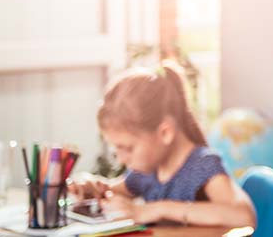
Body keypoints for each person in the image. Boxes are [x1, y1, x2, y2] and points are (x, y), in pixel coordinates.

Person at [69, 63, 256, 228]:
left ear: (165, 133)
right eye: (116, 149)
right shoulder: (148, 171)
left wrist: (156, 210)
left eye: (127, 148)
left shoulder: (202, 165)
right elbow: (114, 191)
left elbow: (243, 216)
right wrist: (92, 187)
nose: (122, 158)